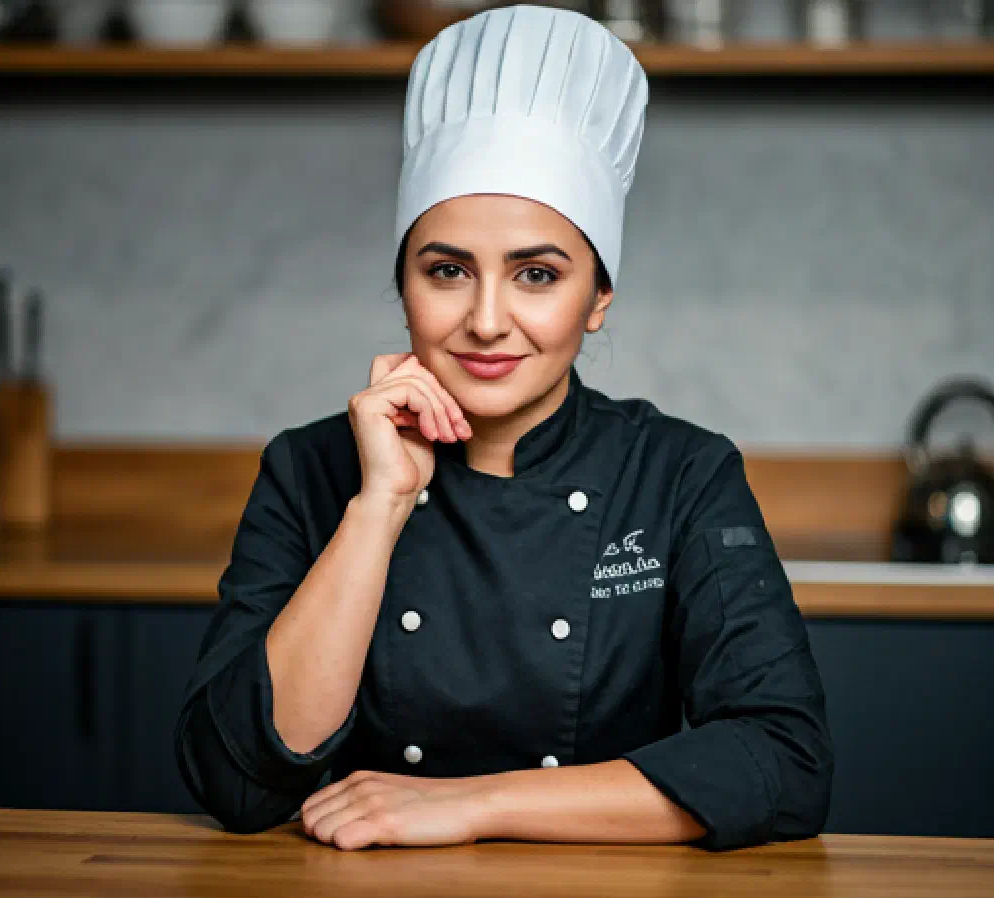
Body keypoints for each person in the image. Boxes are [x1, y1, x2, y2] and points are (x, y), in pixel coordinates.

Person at [173, 4, 834, 853]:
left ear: (598, 297)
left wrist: (472, 804)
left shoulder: (680, 475)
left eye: (537, 275)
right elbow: (235, 781)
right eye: (448, 270)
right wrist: (378, 507)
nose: (487, 321)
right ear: (404, 287)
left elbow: (784, 764)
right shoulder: (310, 470)